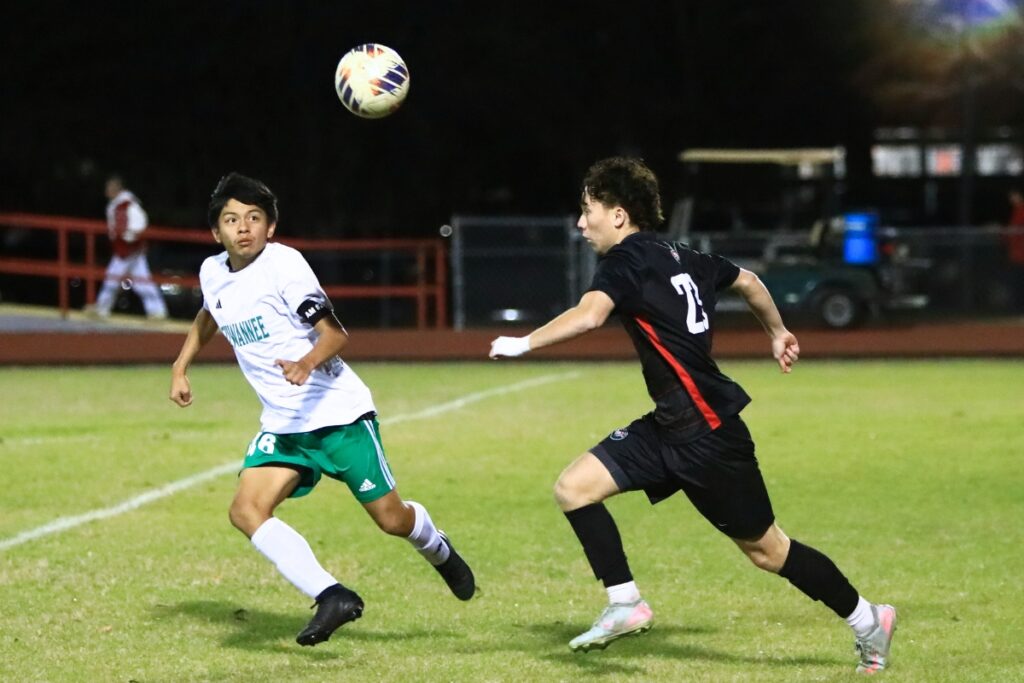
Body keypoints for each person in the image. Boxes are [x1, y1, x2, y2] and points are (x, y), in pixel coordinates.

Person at [489, 157, 896, 674]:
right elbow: (748, 280)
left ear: (617, 215)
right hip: (670, 426)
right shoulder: (679, 253)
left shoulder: (626, 259)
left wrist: (522, 343)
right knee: (574, 488)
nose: (580, 223)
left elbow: (590, 315)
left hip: (709, 436)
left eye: (587, 210)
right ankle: (624, 602)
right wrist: (776, 331)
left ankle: (868, 620)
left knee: (769, 551)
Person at [169, 172, 475, 646]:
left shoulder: (285, 265)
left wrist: (306, 363)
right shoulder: (213, 272)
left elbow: (336, 334)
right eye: (231, 220)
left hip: (337, 414)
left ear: (271, 227)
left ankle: (438, 547)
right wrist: (181, 365)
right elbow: (210, 313)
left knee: (392, 520)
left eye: (254, 218)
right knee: (246, 510)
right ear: (217, 232)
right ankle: (331, 595)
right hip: (284, 423)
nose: (243, 228)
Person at [89, 175, 168, 319]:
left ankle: (101, 308)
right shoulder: (121, 204)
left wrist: (129, 240)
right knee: (141, 280)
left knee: (113, 277)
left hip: (126, 249)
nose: (106, 190)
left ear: (117, 188)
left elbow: (137, 224)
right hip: (129, 248)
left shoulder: (124, 205)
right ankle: (157, 312)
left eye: (109, 187)